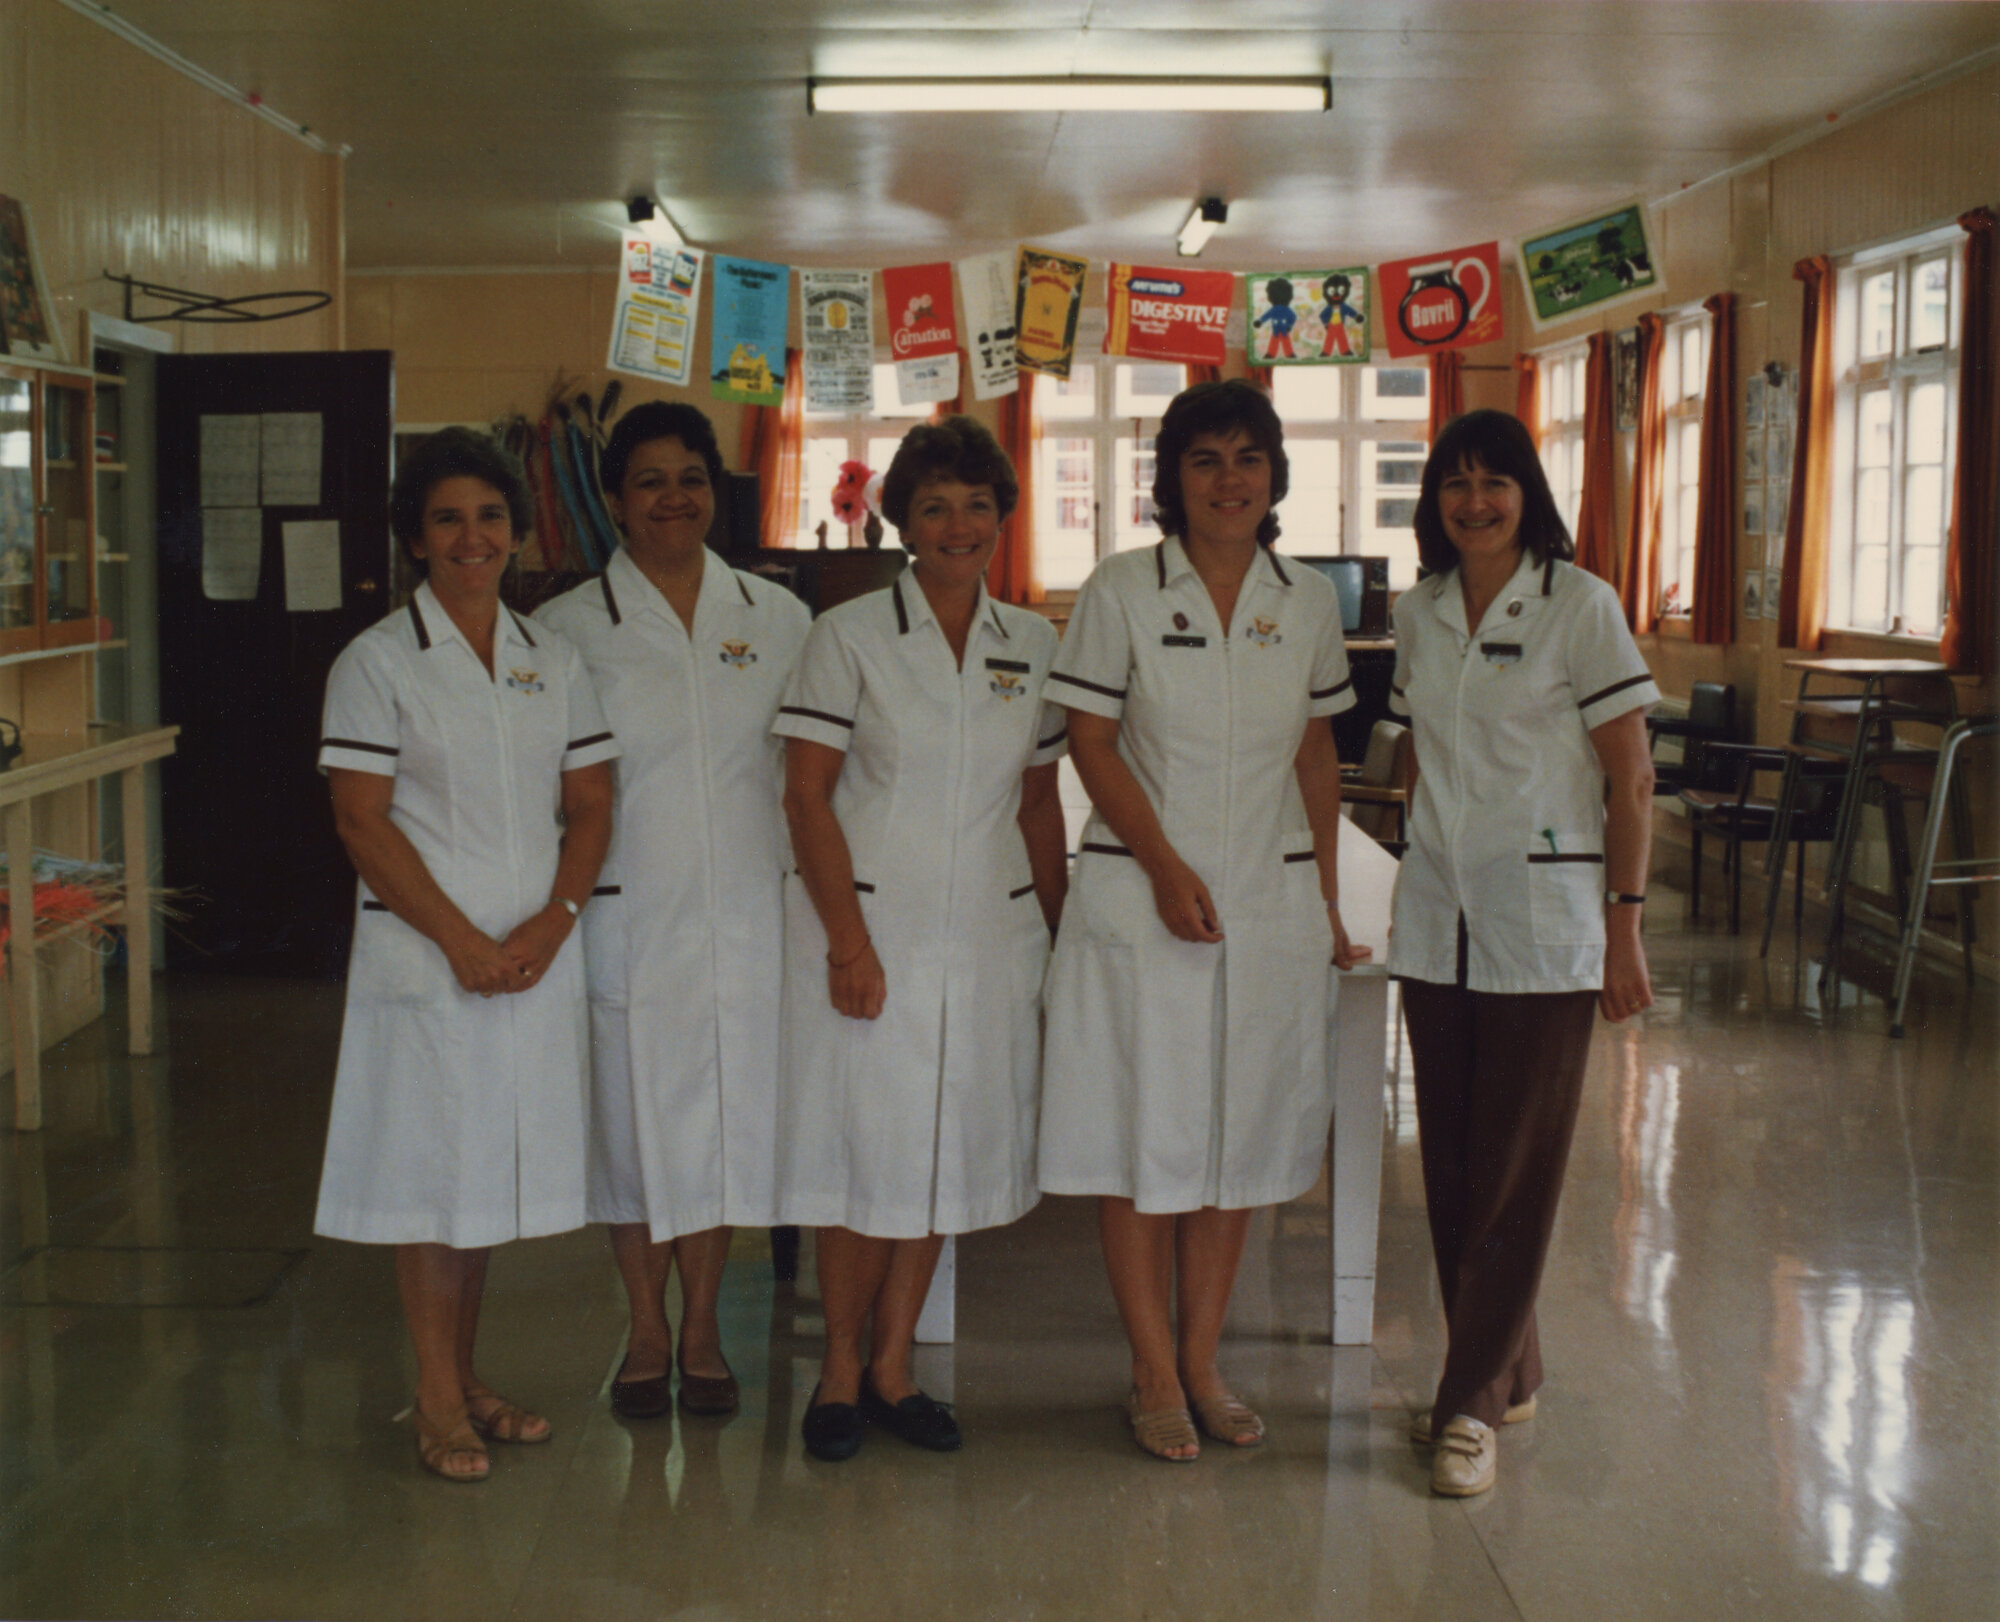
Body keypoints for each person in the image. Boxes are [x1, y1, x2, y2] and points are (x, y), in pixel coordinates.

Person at [1039, 378, 1369, 1462]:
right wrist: (1165, 864)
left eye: (1246, 459)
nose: (1227, 480)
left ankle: (1200, 1358)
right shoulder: (1123, 588)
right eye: (1203, 460)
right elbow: (1088, 740)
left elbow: (1316, 753)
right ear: (1169, 481)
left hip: (1265, 902)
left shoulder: (1306, 597)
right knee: (1143, 1135)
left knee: (1236, 1138)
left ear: (1273, 475)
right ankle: (1146, 1367)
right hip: (1142, 895)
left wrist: (1322, 901)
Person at [315, 428, 617, 1482]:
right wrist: (462, 941)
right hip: (429, 965)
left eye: (489, 515)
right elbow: (363, 821)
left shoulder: (552, 657)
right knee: (428, 1176)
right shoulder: (377, 662)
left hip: (528, 961)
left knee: (479, 1178)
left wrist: (552, 921)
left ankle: (466, 1375)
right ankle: (437, 1396)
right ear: (414, 538)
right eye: (447, 517)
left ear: (516, 533)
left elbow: (589, 802)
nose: (471, 536)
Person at [774, 416, 1068, 1462]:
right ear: (901, 517)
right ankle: (838, 1369)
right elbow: (805, 796)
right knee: (864, 1155)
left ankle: (895, 1365)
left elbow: (1037, 806)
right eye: (935, 504)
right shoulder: (846, 635)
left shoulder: (1030, 645)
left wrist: (1058, 930)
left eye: (976, 504)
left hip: (987, 939)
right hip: (875, 932)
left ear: (1000, 517)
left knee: (942, 1152)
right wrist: (848, 942)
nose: (958, 524)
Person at [1389, 408, 1657, 1498]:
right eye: (1453, 483)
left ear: (1526, 492)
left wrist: (1623, 924)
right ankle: (1511, 1367)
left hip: (1544, 924)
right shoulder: (1418, 610)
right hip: (1436, 915)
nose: (1473, 501)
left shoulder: (1578, 604)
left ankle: (1465, 1408)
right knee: (1448, 1161)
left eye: (1494, 481)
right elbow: (1414, 752)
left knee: (1513, 1170)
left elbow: (1628, 777)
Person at [538, 402, 810, 1422]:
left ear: (714, 490)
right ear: (613, 500)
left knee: (727, 1131)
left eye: (689, 476)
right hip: (628, 918)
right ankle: (644, 1325)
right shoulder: (568, 631)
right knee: (634, 1130)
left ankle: (702, 1327)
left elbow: (811, 773)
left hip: (749, 910)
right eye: (648, 480)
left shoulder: (776, 618)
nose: (672, 497)